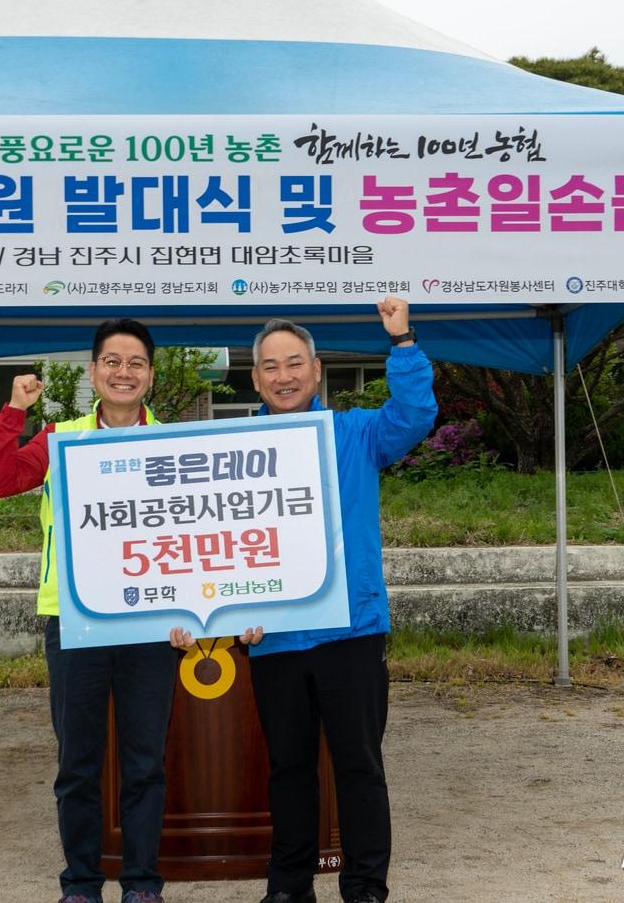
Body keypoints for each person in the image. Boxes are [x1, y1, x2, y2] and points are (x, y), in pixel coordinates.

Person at [171, 297, 435, 903]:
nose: (283, 375)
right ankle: (288, 887)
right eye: (270, 366)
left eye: (295, 363)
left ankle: (365, 885)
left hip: (353, 630)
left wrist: (402, 343)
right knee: (289, 770)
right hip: (274, 637)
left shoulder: (357, 433)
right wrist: (209, 611)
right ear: (255, 377)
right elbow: (210, 542)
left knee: (359, 767)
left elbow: (416, 413)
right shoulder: (231, 451)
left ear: (316, 372)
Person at [0, 318, 177, 903]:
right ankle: (81, 884)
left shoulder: (173, 441)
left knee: (145, 762)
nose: (124, 372)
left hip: (150, 623)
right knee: (78, 765)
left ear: (150, 375)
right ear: (94, 371)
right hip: (74, 619)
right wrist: (14, 411)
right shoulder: (60, 437)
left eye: (135, 363)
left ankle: (142, 885)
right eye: (112, 362)